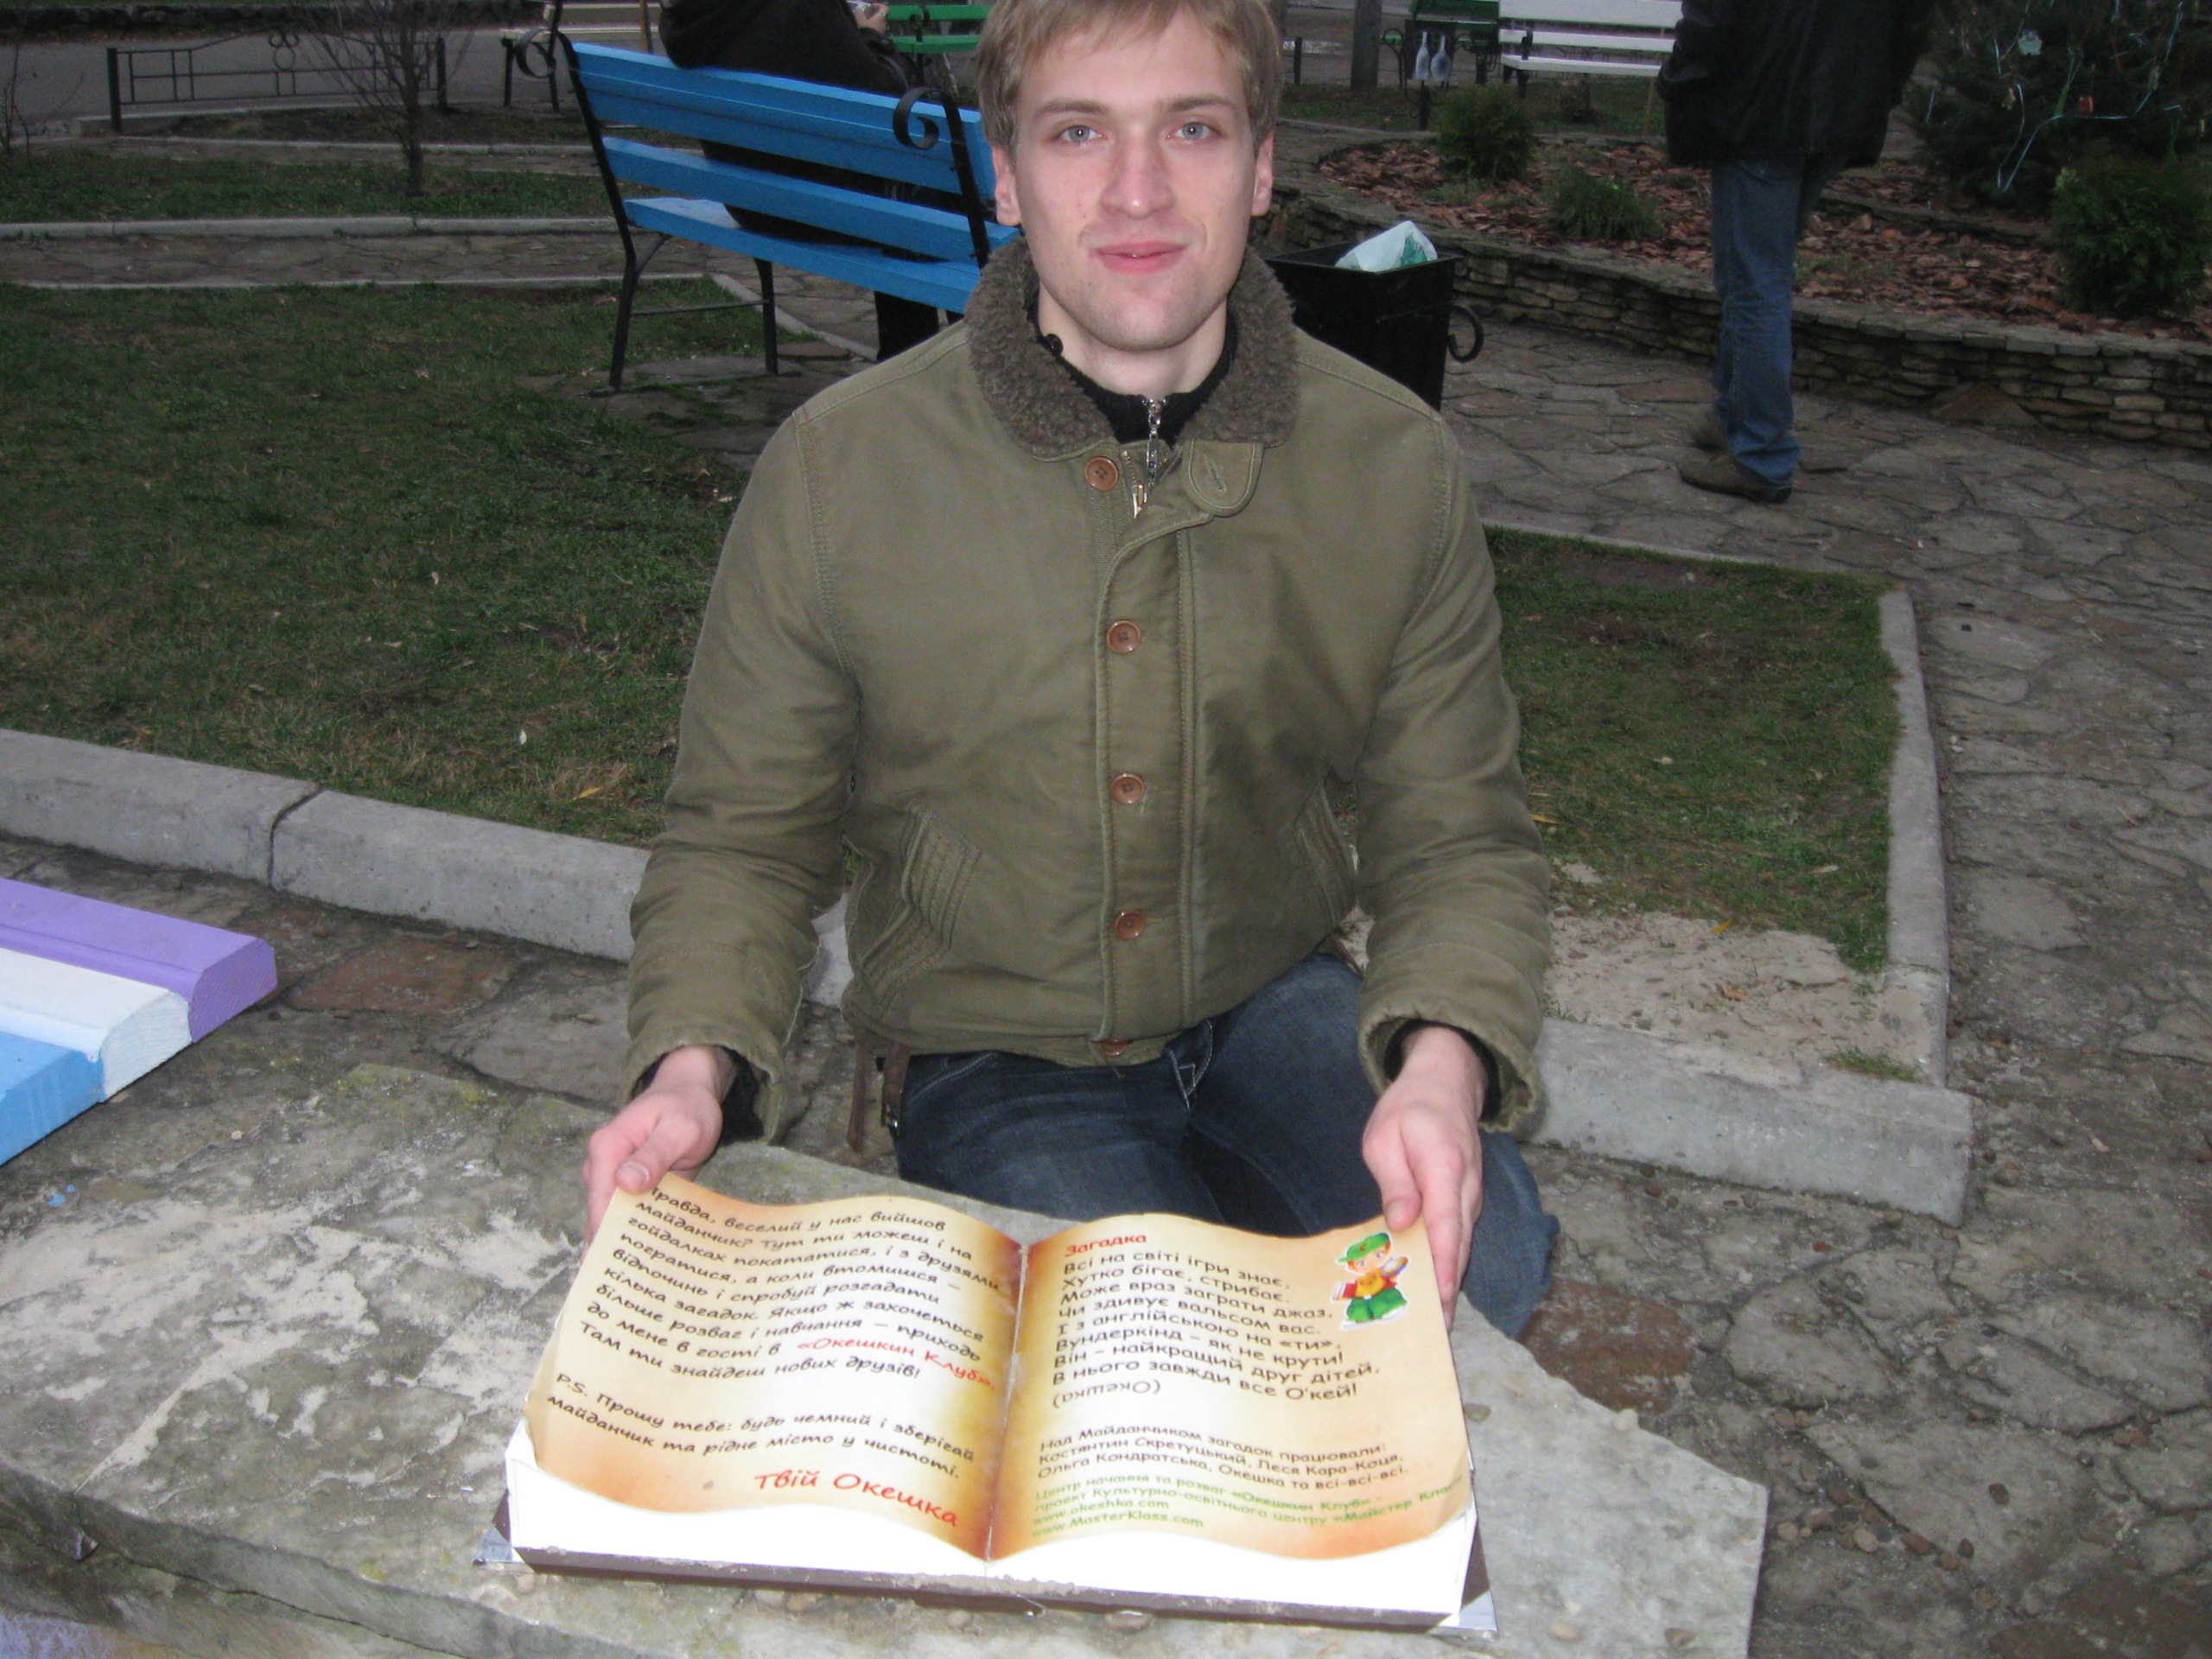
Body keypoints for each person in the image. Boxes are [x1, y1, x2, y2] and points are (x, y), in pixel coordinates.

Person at [586, 0, 1560, 1337]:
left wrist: (1441, 1065)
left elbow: (1459, 834)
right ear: (1006, 174)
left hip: (1272, 995)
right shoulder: (840, 471)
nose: (1137, 190)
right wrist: (692, 1069)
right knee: (1141, 1349)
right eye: (1078, 133)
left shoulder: (1391, 465)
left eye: (1193, 130)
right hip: (998, 1047)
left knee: (1474, 1274)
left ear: (1261, 165)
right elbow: (741, 837)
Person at [1659, 0, 1932, 504]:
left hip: (1762, 106)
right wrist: (1880, 89)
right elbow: (1913, 21)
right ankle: (1732, 413)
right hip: (1839, 106)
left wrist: (1677, 81)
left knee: (1755, 285)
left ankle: (1761, 455)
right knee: (1752, 275)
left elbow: (1713, 18)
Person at [658, 0, 950, 357]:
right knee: (956, 215)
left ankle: (910, 358)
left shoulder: (692, 17)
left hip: (753, 204)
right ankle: (945, 362)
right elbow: (883, 99)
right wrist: (870, 37)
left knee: (923, 211)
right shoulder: (806, 8)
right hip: (822, 208)